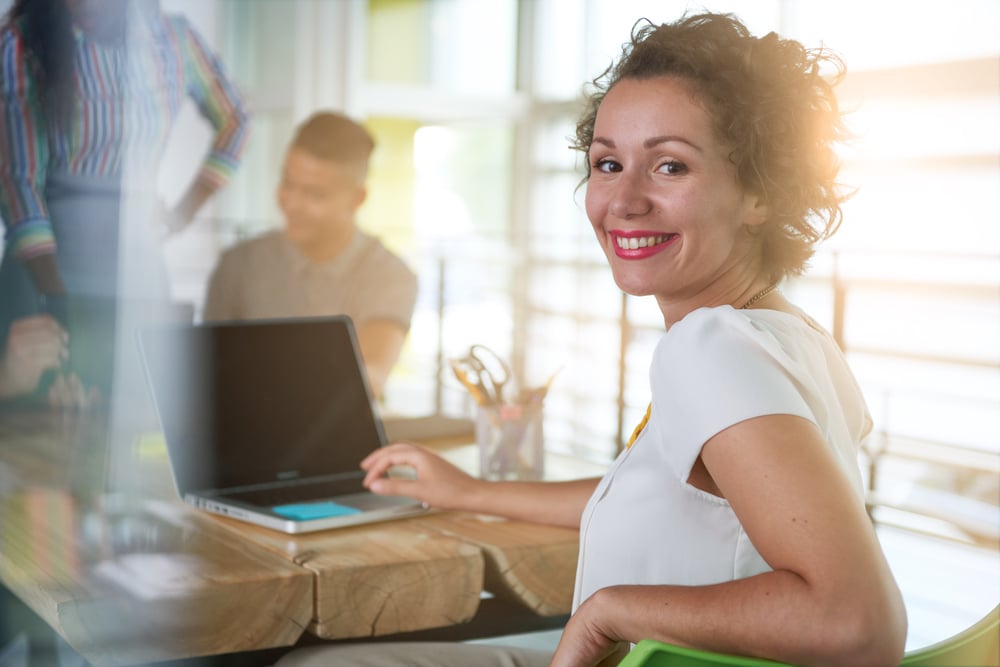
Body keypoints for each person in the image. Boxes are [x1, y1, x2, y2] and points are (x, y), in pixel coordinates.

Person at [275, 12, 907, 667]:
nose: (624, 199)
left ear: (759, 194)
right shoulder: (794, 336)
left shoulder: (707, 348)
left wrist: (611, 607)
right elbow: (671, 498)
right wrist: (470, 490)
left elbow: (856, 621)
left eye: (669, 165)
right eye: (608, 162)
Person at [0, 0, 250, 402]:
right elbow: (19, 183)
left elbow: (237, 121)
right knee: (35, 428)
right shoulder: (19, 43)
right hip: (42, 277)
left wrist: (181, 214)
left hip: (138, 275)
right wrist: (57, 304)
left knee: (140, 419)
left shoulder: (174, 40)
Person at [202, 111, 418, 400]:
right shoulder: (239, 265)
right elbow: (204, 372)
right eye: (287, 184)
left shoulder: (390, 275)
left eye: (314, 194)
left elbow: (371, 376)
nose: (292, 203)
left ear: (357, 199)